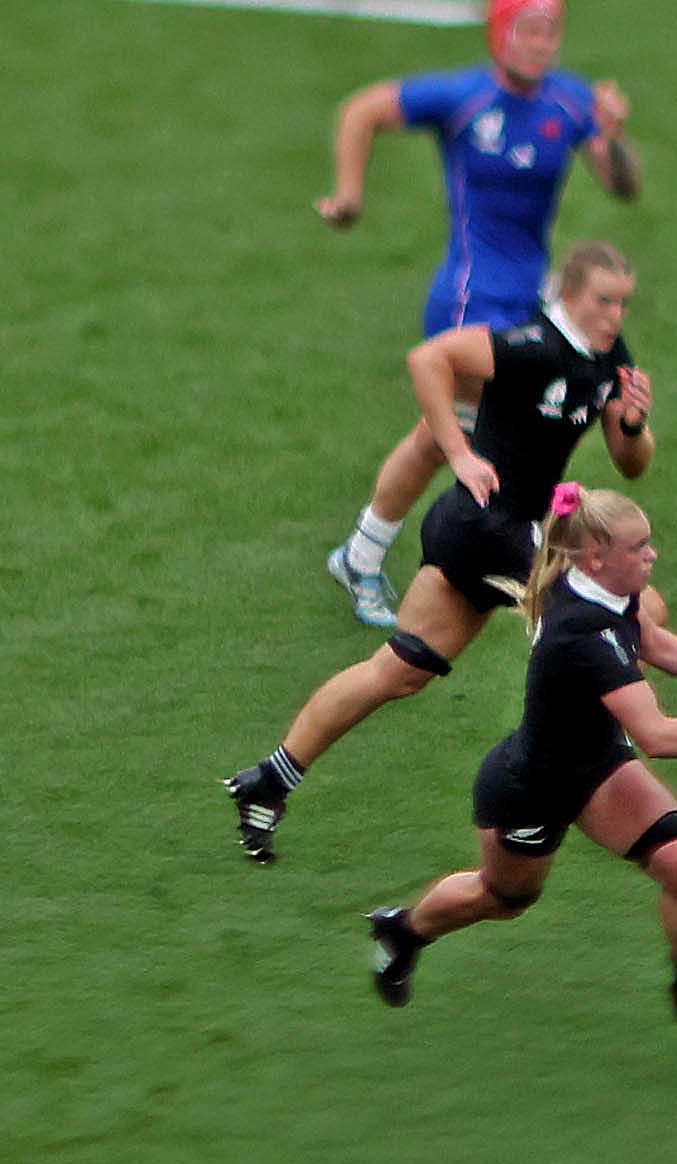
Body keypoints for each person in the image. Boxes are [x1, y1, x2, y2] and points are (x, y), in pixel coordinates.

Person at [228, 242, 651, 859]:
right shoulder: (531, 346)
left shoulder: (609, 357)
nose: (615, 316)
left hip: (494, 530)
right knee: (621, 604)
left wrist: (634, 423)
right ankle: (597, 760)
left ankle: (269, 778)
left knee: (398, 671)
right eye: (603, 301)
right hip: (487, 526)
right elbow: (429, 358)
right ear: (568, 295)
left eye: (623, 304)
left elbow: (631, 463)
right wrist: (458, 451)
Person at [354, 484, 677, 1046]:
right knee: (505, 897)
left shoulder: (606, 590)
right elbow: (657, 735)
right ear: (597, 557)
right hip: (531, 789)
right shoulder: (579, 633)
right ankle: (405, 933)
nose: (652, 555)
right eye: (640, 547)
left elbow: (644, 635)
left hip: (595, 767)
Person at [308, 0, 638, 623]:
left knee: (465, 435)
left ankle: (372, 554)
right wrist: (349, 196)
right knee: (463, 433)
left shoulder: (571, 103)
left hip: (534, 304)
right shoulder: (463, 97)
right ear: (499, 32)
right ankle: (385, 554)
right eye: (526, 30)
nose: (540, 44)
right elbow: (362, 110)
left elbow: (621, 185)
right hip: (468, 297)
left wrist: (615, 134)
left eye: (550, 32)